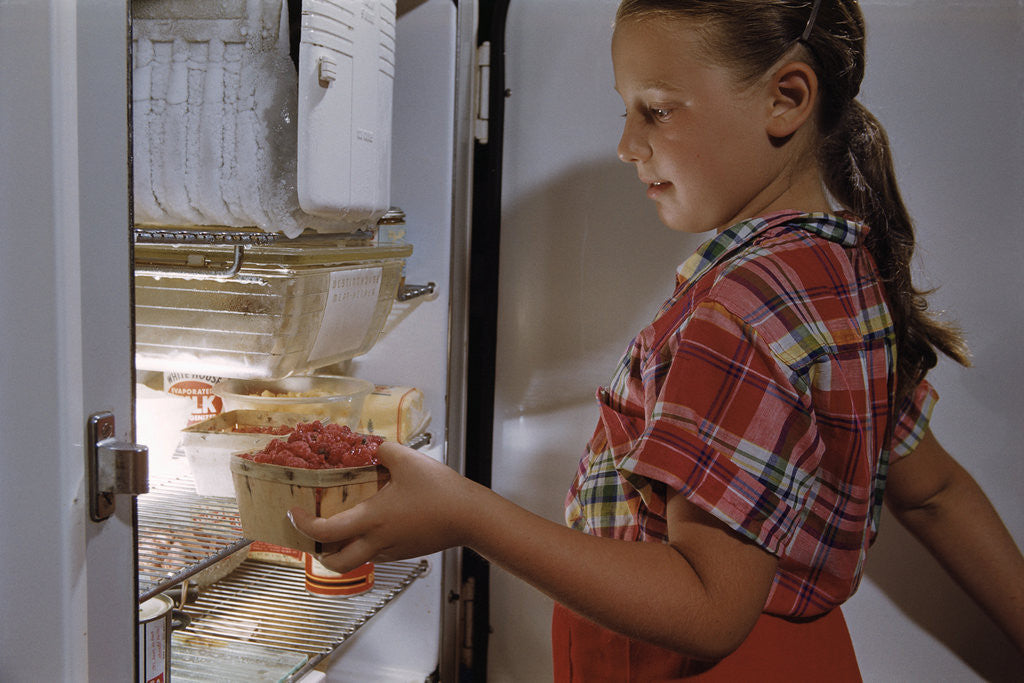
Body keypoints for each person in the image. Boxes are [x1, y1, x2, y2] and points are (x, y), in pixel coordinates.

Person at [290, 0, 1024, 678]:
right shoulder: (840, 272)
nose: (625, 144)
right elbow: (936, 492)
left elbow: (707, 607)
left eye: (657, 110)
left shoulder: (740, 309)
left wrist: (464, 512)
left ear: (787, 98)